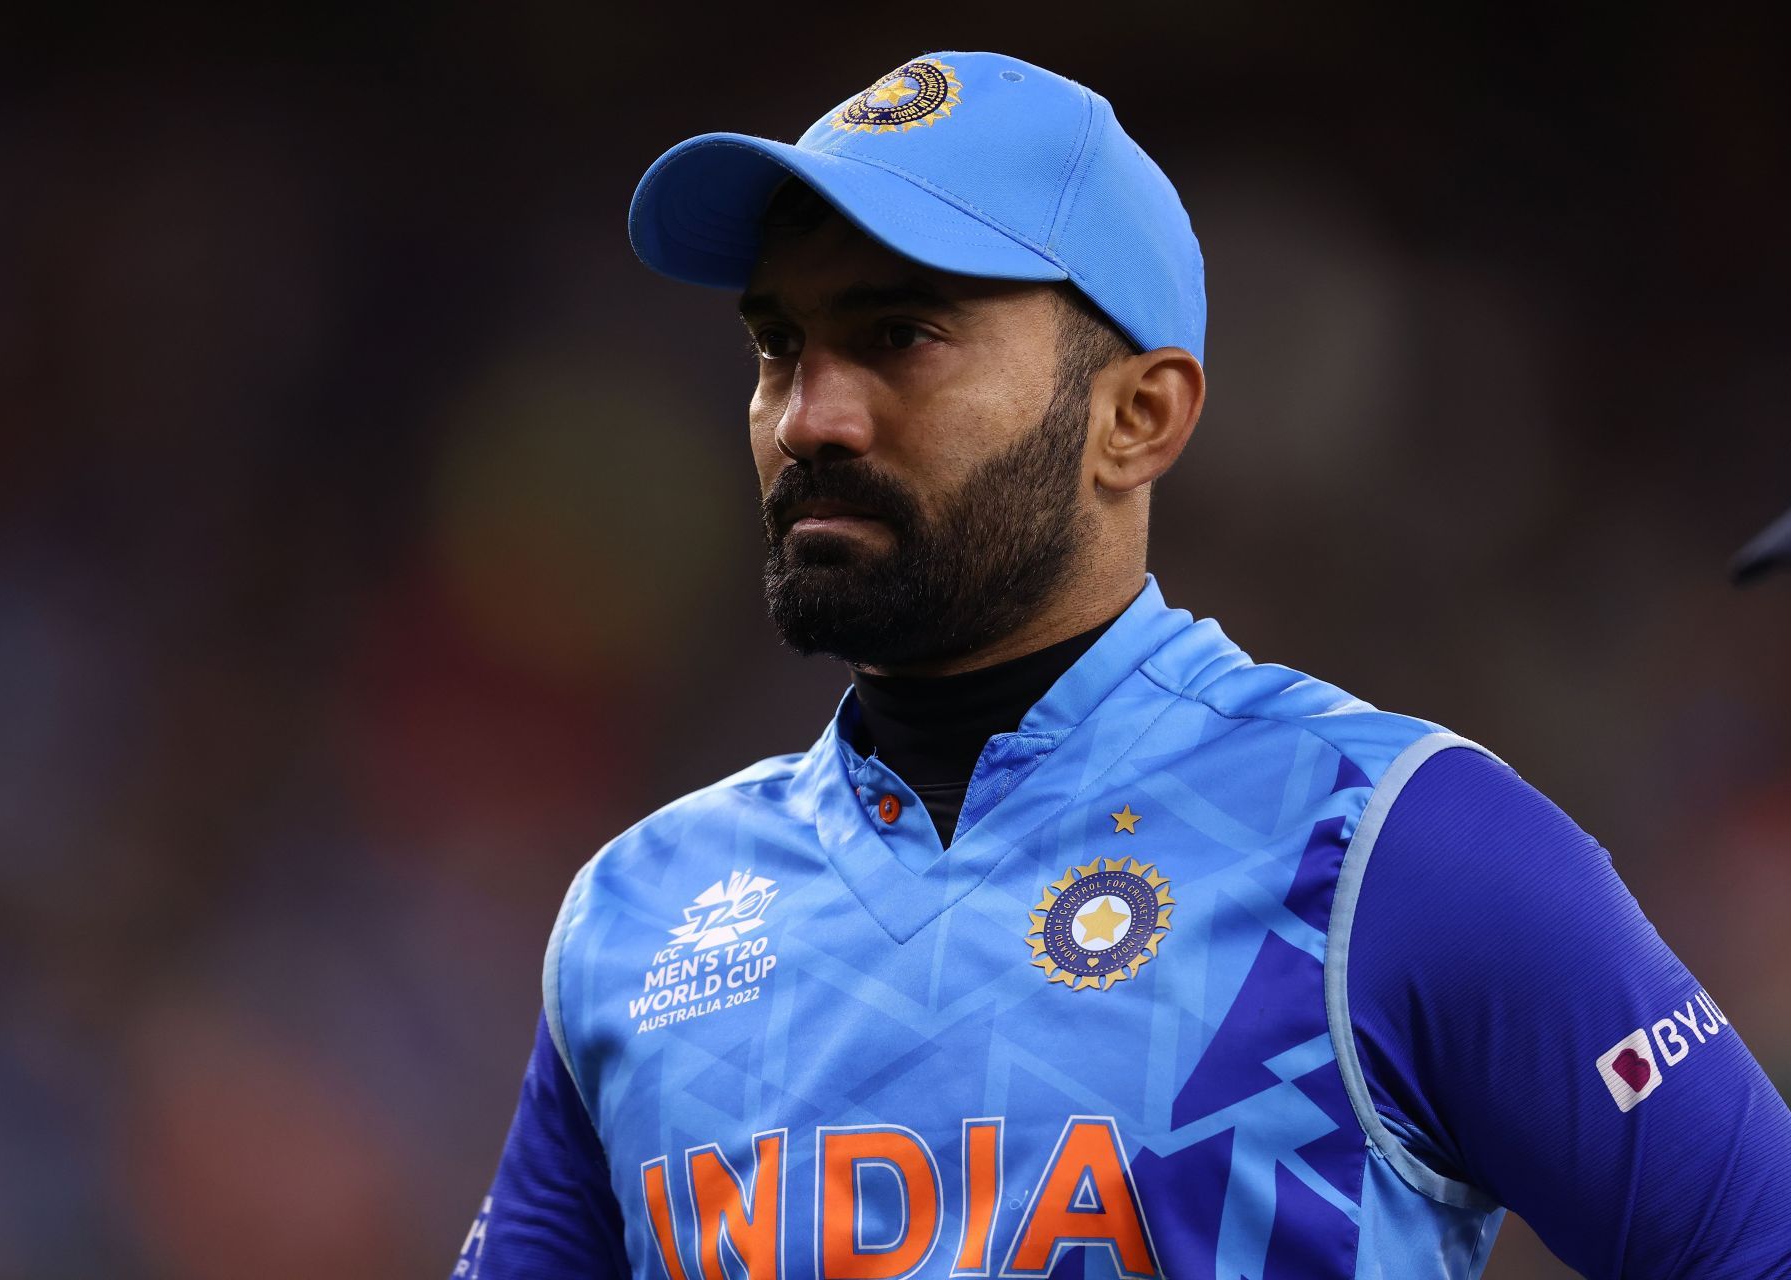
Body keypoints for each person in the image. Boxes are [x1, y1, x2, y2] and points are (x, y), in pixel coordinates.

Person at [450, 51, 1791, 1279]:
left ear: (1138, 416)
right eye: (778, 345)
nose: (811, 415)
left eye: (899, 335)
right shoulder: (634, 920)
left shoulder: (1396, 848)